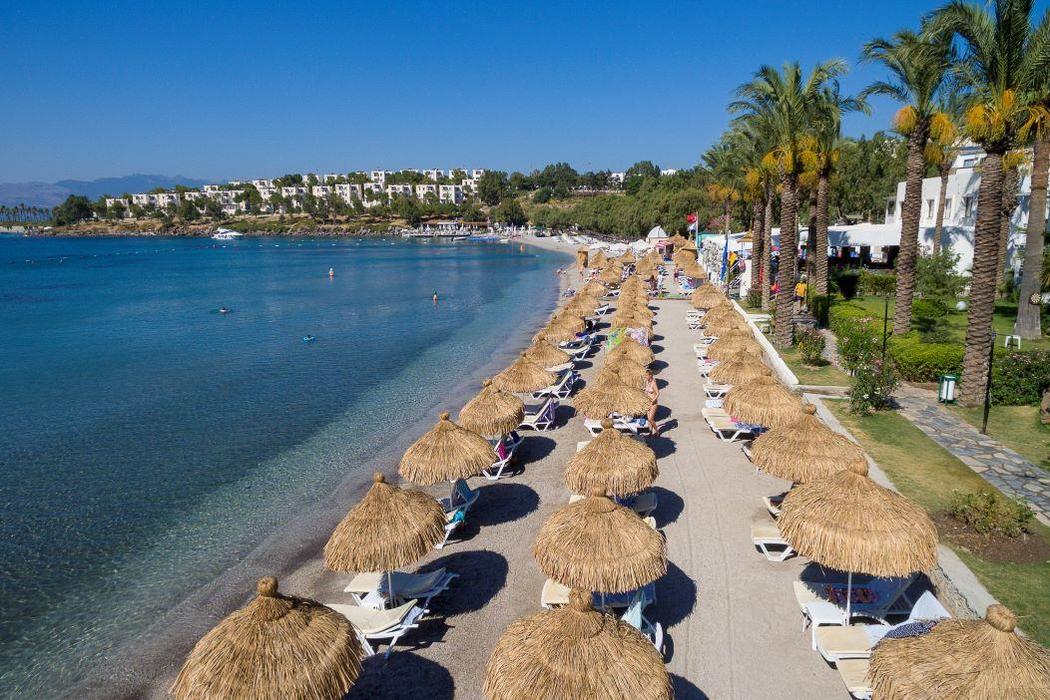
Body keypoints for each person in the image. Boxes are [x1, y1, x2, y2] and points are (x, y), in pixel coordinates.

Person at [644, 369, 660, 437]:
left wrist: (653, 400)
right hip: (648, 403)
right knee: (649, 419)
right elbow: (647, 391)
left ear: (650, 375)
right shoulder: (647, 382)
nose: (645, 377)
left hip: (653, 403)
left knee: (651, 419)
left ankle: (657, 432)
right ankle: (650, 432)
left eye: (646, 375)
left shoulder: (653, 383)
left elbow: (658, 393)